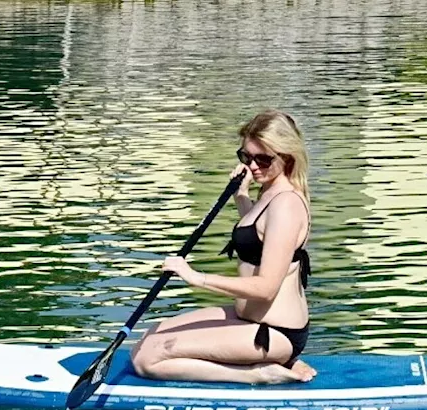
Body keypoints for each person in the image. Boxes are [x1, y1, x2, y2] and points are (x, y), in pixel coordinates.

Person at [130, 109, 318, 385]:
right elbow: (259, 235)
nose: (253, 167)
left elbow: (266, 288)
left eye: (263, 159)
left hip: (274, 331)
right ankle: (270, 360)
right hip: (250, 320)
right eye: (246, 157)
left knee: (147, 359)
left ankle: (258, 373)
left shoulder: (287, 204)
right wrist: (242, 195)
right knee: (150, 336)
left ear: (287, 156)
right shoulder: (270, 191)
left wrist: (196, 277)